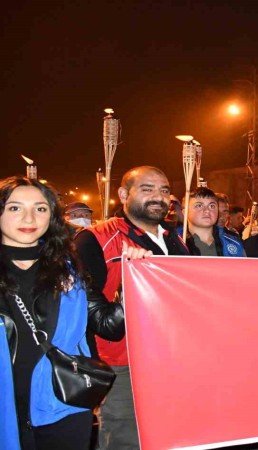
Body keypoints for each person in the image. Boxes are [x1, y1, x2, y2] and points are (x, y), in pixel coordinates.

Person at [0, 176, 125, 450]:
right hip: (6, 408)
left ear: (52, 216)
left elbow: (106, 324)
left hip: (62, 405)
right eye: (15, 208)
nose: (29, 217)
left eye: (40, 208)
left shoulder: (68, 270)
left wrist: (133, 280)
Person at [74, 166, 189, 450]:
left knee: (171, 435)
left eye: (164, 190)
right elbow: (93, 316)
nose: (158, 197)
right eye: (147, 189)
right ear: (124, 194)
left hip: (174, 358)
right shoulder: (95, 239)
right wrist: (130, 283)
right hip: (123, 364)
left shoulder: (175, 239)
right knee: (125, 439)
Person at [177, 187, 245, 257]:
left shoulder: (233, 243)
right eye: (199, 206)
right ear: (185, 212)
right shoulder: (175, 242)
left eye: (212, 206)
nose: (207, 210)